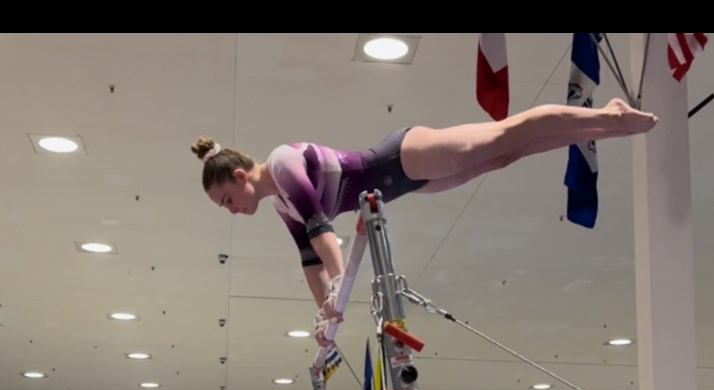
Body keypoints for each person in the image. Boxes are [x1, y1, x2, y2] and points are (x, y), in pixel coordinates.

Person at [191, 99, 658, 345]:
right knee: (505, 156)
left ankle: (608, 116)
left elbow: (321, 227)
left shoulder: (282, 163)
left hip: (400, 155)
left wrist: (340, 286)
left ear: (239, 175)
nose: (231, 211)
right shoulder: (280, 205)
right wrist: (323, 317)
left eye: (227, 200)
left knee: (503, 134)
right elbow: (309, 257)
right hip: (408, 183)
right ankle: (599, 129)